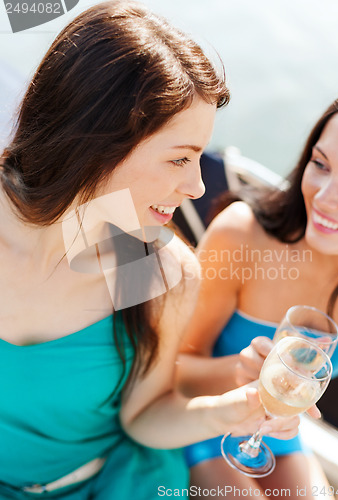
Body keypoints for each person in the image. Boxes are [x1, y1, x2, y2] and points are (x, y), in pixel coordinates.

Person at [0, 1, 303, 498]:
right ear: (98, 144)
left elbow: (143, 418)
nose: (197, 187)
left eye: (199, 158)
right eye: (180, 158)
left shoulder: (147, 268)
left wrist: (233, 409)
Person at [177, 84, 338, 498]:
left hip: (279, 434)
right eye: (320, 164)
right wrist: (239, 372)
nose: (325, 197)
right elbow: (171, 373)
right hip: (200, 423)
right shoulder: (242, 235)